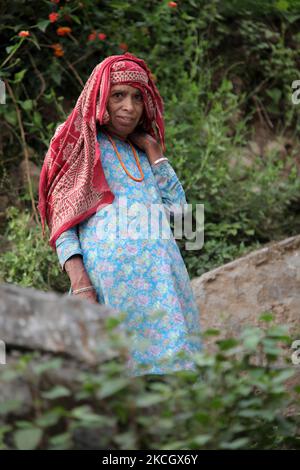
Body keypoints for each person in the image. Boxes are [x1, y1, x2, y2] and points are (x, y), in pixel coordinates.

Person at [38, 52, 202, 377]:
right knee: (119, 387)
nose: (129, 107)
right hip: (111, 291)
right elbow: (63, 225)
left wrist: (155, 152)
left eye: (137, 98)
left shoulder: (143, 152)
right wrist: (82, 285)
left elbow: (184, 220)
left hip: (164, 286)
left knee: (173, 386)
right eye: (118, 96)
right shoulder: (80, 143)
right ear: (100, 98)